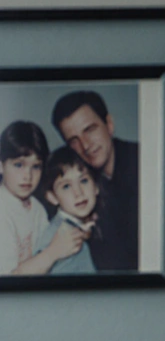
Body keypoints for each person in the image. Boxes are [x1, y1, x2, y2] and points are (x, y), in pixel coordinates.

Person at [51, 91, 138, 272]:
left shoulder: (145, 163)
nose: (85, 145)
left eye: (90, 130)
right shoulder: (78, 188)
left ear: (109, 125)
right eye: (73, 140)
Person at [0, 121, 84, 275]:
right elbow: (7, 281)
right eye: (19, 165)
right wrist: (54, 252)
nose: (28, 176)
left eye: (36, 166)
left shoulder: (37, 207)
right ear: (1, 165)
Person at [33, 146, 99, 275]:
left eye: (84, 181)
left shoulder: (84, 224)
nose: (78, 192)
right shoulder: (60, 237)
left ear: (96, 187)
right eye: (66, 186)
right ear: (52, 197)